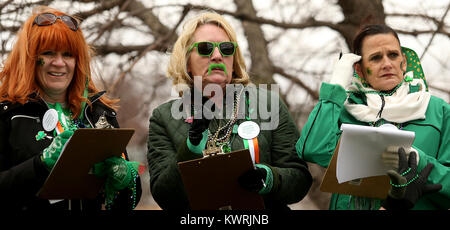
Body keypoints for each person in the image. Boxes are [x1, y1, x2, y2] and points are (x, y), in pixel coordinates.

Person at [147, 12, 312, 210]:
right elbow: (165, 197)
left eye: (226, 49)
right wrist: (191, 148)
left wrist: (269, 178)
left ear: (233, 62)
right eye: (205, 48)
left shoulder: (270, 104)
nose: (217, 56)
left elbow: (300, 179)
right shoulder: (163, 117)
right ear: (187, 62)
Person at [0, 6, 141, 210]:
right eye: (48, 53)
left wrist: (125, 180)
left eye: (68, 55)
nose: (59, 63)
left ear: (78, 60)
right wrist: (40, 164)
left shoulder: (99, 113)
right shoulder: (8, 113)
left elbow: (128, 203)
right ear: (30, 58)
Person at [296, 24, 448, 210]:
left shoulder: (439, 110)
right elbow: (312, 149)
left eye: (393, 55)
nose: (387, 64)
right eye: (376, 58)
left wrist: (420, 161)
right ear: (359, 70)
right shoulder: (344, 110)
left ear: (404, 62)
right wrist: (335, 88)